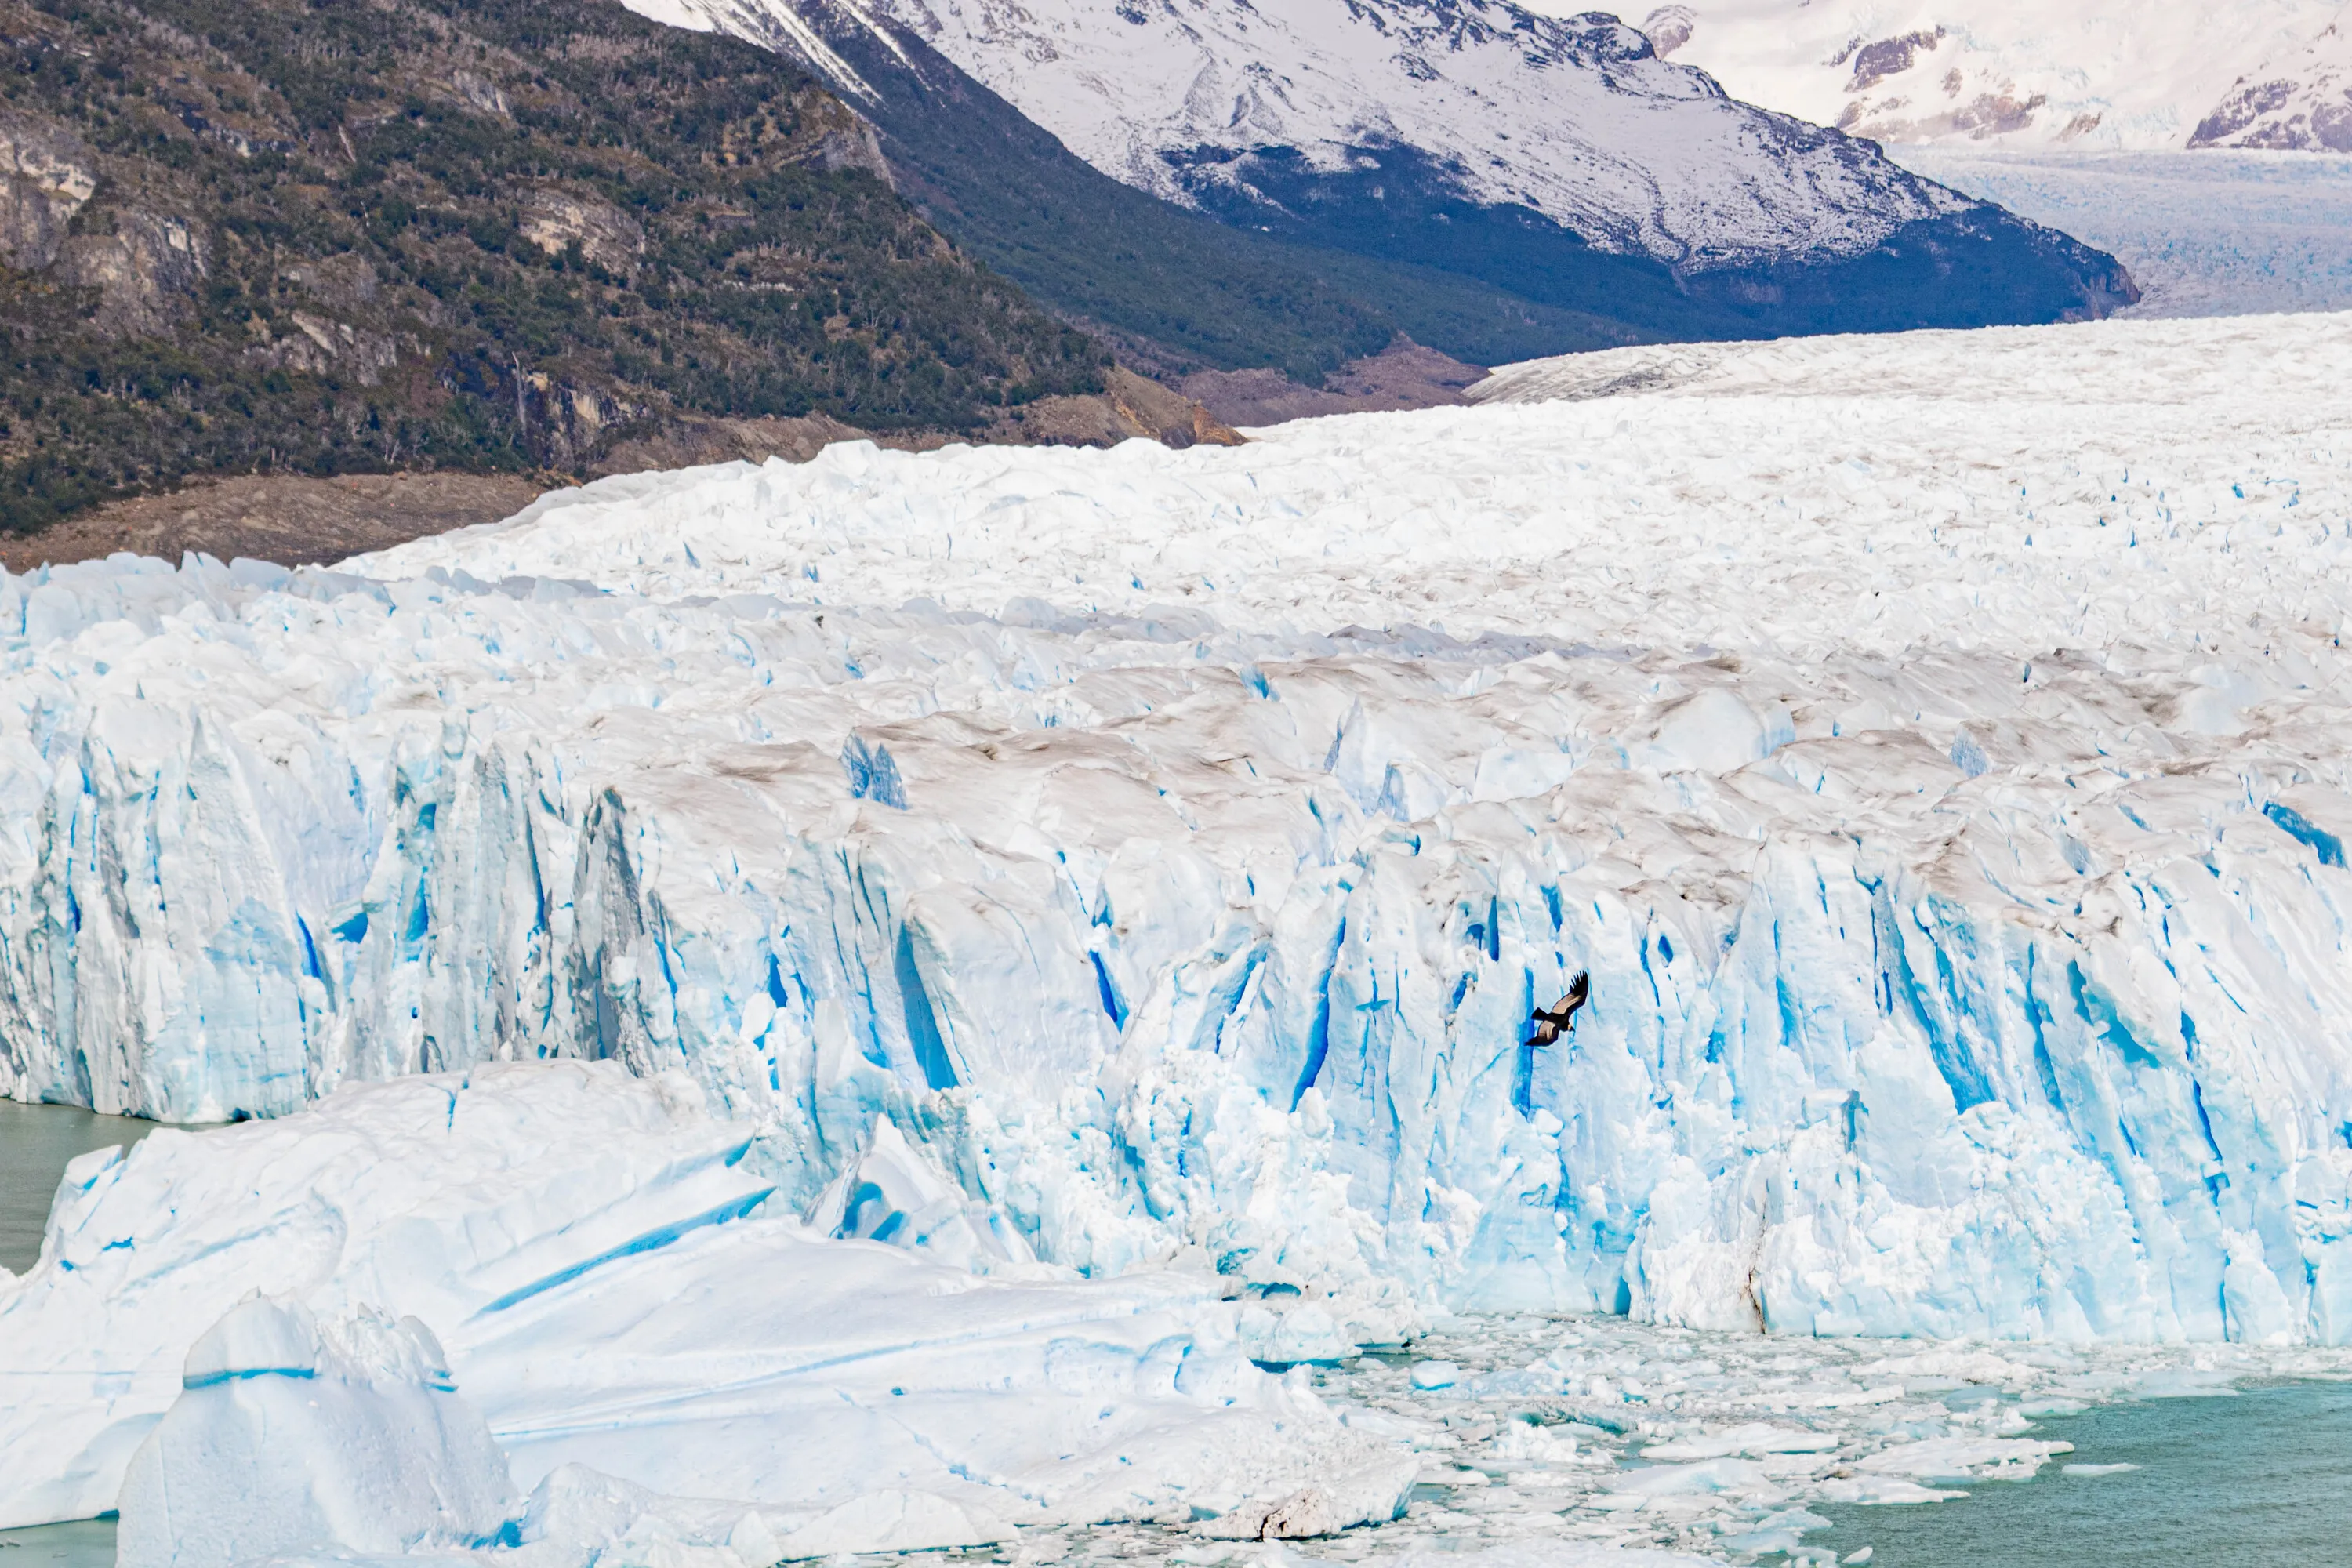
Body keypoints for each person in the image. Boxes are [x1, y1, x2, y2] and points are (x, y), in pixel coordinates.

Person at [1527, 971, 1589, 1046]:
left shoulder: (1554, 1034)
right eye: (1568, 1029)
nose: (1568, 1029)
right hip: (1548, 1016)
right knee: (1580, 1000)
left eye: (1568, 1029)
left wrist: (1537, 1041)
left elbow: (1543, 1041)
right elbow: (1579, 997)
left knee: (1549, 1041)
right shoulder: (1566, 1015)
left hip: (1546, 1017)